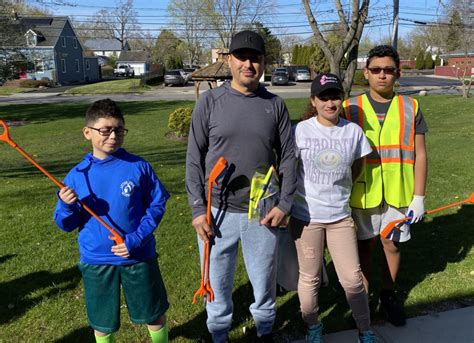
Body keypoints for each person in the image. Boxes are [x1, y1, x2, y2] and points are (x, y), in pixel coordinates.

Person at [185, 30, 296, 343]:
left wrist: (284, 204)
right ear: (229, 60)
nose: (248, 64)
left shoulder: (274, 105)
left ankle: (264, 331)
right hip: (216, 212)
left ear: (263, 62)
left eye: (255, 58)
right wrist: (197, 211)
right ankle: (219, 334)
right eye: (241, 57)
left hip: (261, 211)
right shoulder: (209, 102)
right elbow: (194, 159)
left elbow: (288, 157)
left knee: (264, 282)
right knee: (217, 283)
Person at [54, 99, 170, 343]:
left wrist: (136, 240)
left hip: (138, 255)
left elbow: (157, 205)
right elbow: (66, 224)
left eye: (119, 129)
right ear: (87, 132)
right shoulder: (77, 175)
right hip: (96, 259)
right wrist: (66, 205)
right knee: (103, 324)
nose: (113, 136)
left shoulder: (138, 167)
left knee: (153, 314)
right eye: (105, 130)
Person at [342, 45, 428, 326]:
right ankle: (364, 297)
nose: (382, 75)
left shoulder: (411, 106)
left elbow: (421, 154)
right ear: (366, 73)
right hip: (362, 192)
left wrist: (419, 196)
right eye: (376, 70)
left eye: (388, 70)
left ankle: (388, 296)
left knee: (391, 244)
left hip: (398, 193)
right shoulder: (349, 107)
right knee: (364, 247)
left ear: (397, 73)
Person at [290, 73, 377, 343]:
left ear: (342, 99)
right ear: (313, 101)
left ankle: (365, 331)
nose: (330, 103)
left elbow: (358, 165)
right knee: (310, 278)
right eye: (324, 97)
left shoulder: (353, 132)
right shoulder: (301, 130)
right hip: (307, 219)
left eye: (335, 97)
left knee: (352, 279)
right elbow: (287, 170)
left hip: (340, 217)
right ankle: (314, 327)